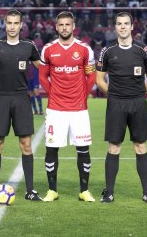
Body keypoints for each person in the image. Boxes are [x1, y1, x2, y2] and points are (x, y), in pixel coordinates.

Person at [0, 9, 42, 201]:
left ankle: (30, 191)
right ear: (5, 24)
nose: (12, 27)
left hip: (22, 99)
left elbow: (44, 67)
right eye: (9, 23)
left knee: (26, 144)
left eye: (16, 23)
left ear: (21, 25)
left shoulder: (28, 46)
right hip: (1, 99)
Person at [96, 12, 147, 203]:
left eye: (126, 24)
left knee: (140, 146)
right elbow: (99, 80)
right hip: (116, 103)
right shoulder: (107, 51)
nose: (122, 27)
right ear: (115, 27)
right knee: (114, 146)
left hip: (138, 102)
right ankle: (109, 192)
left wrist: (136, 93)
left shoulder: (143, 50)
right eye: (119, 24)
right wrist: (115, 95)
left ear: (132, 27)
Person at [39, 11, 96, 202]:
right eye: (61, 25)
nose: (64, 28)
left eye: (67, 25)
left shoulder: (85, 49)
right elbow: (42, 76)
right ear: (56, 27)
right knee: (51, 149)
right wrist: (53, 92)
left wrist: (82, 96)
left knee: (83, 149)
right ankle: (52, 190)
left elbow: (91, 76)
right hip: (56, 109)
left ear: (73, 27)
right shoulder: (48, 49)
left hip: (79, 109)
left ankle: (84, 191)